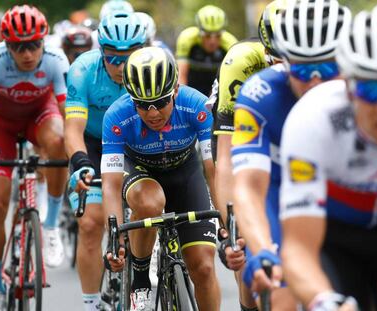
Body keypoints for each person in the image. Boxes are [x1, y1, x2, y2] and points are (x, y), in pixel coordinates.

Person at [231, 0, 351, 308]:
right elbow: (248, 187)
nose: (314, 81)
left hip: (345, 197)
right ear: (282, 62)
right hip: (280, 196)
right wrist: (263, 250)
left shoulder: (368, 94)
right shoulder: (260, 94)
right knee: (280, 286)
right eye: (301, 68)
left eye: (327, 68)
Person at [280, 4, 377, 310]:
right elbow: (299, 249)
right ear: (348, 85)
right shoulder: (312, 118)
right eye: (373, 90)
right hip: (335, 238)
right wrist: (323, 301)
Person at [102, 47, 220, 311]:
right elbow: (109, 185)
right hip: (141, 172)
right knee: (150, 201)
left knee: (203, 267)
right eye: (142, 104)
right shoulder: (116, 116)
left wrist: (226, 218)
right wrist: (115, 240)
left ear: (175, 90)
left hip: (185, 173)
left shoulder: (198, 106)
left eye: (161, 101)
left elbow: (213, 169)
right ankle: (141, 277)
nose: (153, 113)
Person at [0, 5, 69, 310]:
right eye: (19, 47)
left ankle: (50, 225)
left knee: (59, 140)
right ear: (7, 45)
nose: (27, 54)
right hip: (1, 127)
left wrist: (77, 155)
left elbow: (67, 113)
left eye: (34, 44)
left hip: (39, 117)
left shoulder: (56, 61)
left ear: (43, 41)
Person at [64, 11, 146, 311]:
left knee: (146, 210)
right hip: (94, 144)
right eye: (113, 58)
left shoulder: (154, 67)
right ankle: (92, 304)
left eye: (129, 57)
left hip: (134, 143)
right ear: (100, 52)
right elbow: (72, 129)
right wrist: (82, 163)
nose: (121, 67)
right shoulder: (82, 70)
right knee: (90, 224)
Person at [210, 1, 287, 309]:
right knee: (244, 256)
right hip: (243, 132)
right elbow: (227, 159)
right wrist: (230, 226)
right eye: (276, 61)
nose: (284, 71)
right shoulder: (241, 61)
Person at [176, 5, 237, 95]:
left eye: (218, 35)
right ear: (199, 32)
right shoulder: (187, 39)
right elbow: (181, 77)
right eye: (207, 36)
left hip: (216, 87)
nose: (212, 41)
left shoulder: (231, 44)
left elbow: (231, 80)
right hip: (192, 85)